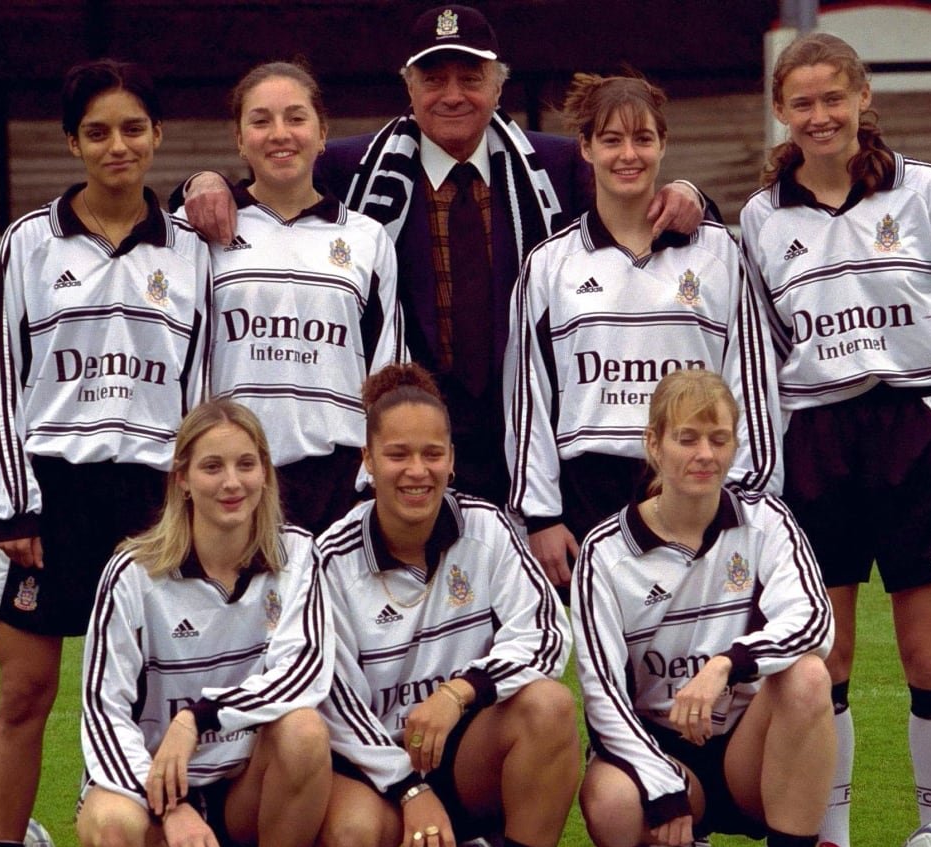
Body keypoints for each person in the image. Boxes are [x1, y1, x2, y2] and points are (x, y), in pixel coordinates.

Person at [179, 4, 708, 509]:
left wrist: (690, 192)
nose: (452, 95)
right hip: (412, 438)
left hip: (524, 432)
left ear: (499, 85)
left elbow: (635, 189)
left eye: (471, 78)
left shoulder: (556, 165)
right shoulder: (351, 166)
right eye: (433, 79)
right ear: (408, 86)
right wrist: (202, 181)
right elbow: (272, 181)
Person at [739, 32, 931, 847]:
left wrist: (930, 396)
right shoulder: (763, 216)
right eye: (801, 102)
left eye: (832, 98)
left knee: (929, 653)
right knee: (829, 656)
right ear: (783, 111)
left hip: (914, 428)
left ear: (862, 98)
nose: (819, 116)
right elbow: (766, 339)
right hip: (815, 437)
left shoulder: (925, 190)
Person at [0, 59, 212, 847]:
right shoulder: (27, 244)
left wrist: (194, 507)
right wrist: (12, 509)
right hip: (48, 497)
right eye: (99, 131)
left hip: (151, 504)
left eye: (134, 128)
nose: (119, 145)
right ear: (72, 143)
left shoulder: (191, 253)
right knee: (26, 690)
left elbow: (205, 389)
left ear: (157, 138)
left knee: (151, 697)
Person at [313, 364, 577, 847]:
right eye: (398, 454)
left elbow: (544, 633)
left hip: (467, 757)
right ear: (368, 460)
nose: (417, 471)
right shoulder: (330, 558)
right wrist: (410, 790)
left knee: (549, 706)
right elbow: (331, 700)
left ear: (452, 460)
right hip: (378, 776)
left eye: (433, 454)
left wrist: (462, 691)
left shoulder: (487, 529)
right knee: (351, 842)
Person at [572, 369, 836, 847]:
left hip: (745, 751)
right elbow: (601, 691)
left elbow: (816, 621)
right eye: (687, 438)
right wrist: (663, 784)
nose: (704, 454)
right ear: (654, 445)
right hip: (660, 752)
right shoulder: (604, 552)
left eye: (719, 439)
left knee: (810, 675)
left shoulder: (765, 521)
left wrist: (727, 664)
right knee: (612, 808)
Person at [77, 400, 334, 847]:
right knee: (110, 834)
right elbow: (102, 707)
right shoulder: (133, 574)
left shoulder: (297, 556)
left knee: (304, 730)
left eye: (246, 465)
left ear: (266, 473)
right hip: (158, 789)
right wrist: (170, 808)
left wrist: (198, 718)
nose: (231, 483)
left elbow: (304, 672)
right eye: (212, 467)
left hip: (248, 786)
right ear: (183, 480)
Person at [504, 71, 780, 594]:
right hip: (591, 494)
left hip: (697, 484)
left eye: (642, 138)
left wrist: (747, 499)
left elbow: (751, 381)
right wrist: (539, 516)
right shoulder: (549, 263)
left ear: (663, 144)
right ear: (585, 147)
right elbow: (528, 400)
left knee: (702, 659)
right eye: (611, 139)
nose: (627, 154)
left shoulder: (718, 253)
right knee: (607, 665)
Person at [185, 60, 406, 535]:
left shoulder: (367, 238)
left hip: (338, 481)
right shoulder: (201, 232)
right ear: (239, 139)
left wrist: (371, 474)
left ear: (322, 133)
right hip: (235, 477)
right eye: (261, 121)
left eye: (296, 118)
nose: (279, 133)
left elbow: (386, 368)